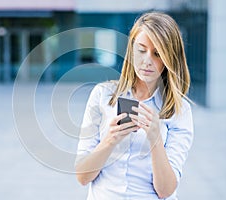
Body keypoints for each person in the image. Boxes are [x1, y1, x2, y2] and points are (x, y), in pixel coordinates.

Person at [75, 11, 194, 200]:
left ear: (169, 58)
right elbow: (82, 176)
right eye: (141, 50)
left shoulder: (179, 111)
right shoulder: (103, 95)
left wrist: (155, 138)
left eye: (157, 53)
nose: (147, 60)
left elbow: (165, 190)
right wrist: (110, 140)